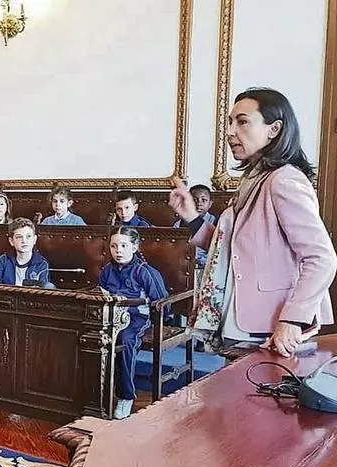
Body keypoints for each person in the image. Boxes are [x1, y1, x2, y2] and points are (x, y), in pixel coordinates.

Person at [169, 87, 337, 358]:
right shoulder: (254, 180)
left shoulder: (284, 180)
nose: (230, 132)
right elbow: (234, 251)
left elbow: (321, 257)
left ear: (274, 129)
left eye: (242, 121)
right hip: (244, 323)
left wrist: (292, 320)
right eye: (230, 122)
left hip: (271, 328)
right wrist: (192, 218)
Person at [98, 227, 169, 419]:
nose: (118, 251)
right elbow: (100, 293)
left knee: (125, 340)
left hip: (137, 318)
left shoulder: (144, 272)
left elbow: (163, 304)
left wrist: (153, 315)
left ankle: (126, 396)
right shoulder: (107, 270)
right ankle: (98, 394)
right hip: (110, 316)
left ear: (135, 247)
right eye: (114, 246)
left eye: (123, 246)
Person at [0, 218, 53, 287]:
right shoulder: (3, 261)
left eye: (28, 236)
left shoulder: (42, 264)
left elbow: (43, 289)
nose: (24, 241)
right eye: (19, 237)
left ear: (34, 240)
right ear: (11, 241)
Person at [172, 184, 216, 268]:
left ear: (210, 204)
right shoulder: (178, 224)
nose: (199, 203)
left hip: (206, 264)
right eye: (194, 200)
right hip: (183, 263)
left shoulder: (216, 223)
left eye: (204, 200)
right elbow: (174, 246)